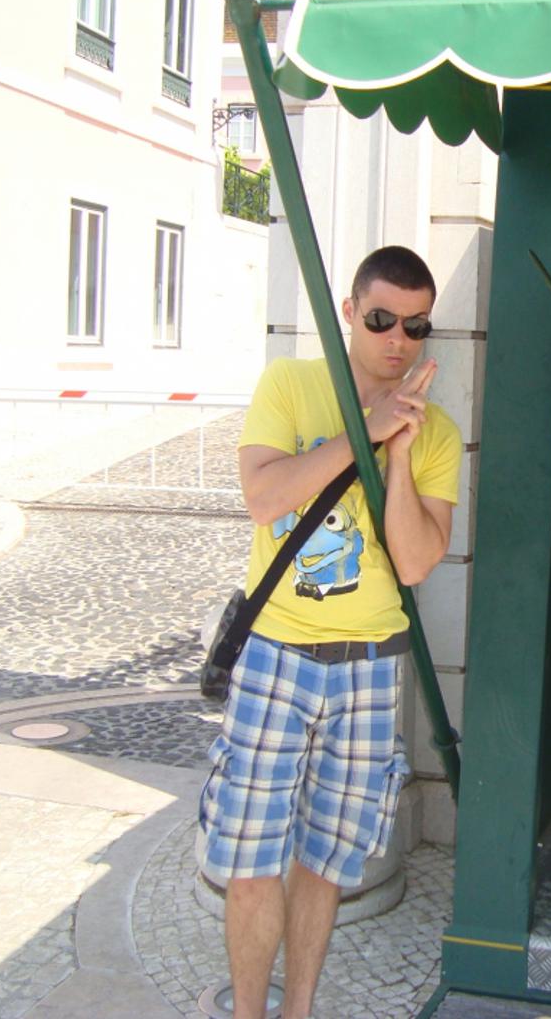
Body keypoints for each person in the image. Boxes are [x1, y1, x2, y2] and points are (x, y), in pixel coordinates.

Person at [198, 245, 461, 1019]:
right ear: (350, 312)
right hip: (276, 650)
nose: (397, 340)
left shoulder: (436, 433)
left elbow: (415, 562)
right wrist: (363, 431)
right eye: (381, 319)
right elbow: (262, 497)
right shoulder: (291, 384)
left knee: (328, 861)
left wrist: (399, 455)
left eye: (416, 326)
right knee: (252, 857)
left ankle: (299, 1010)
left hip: (369, 664)